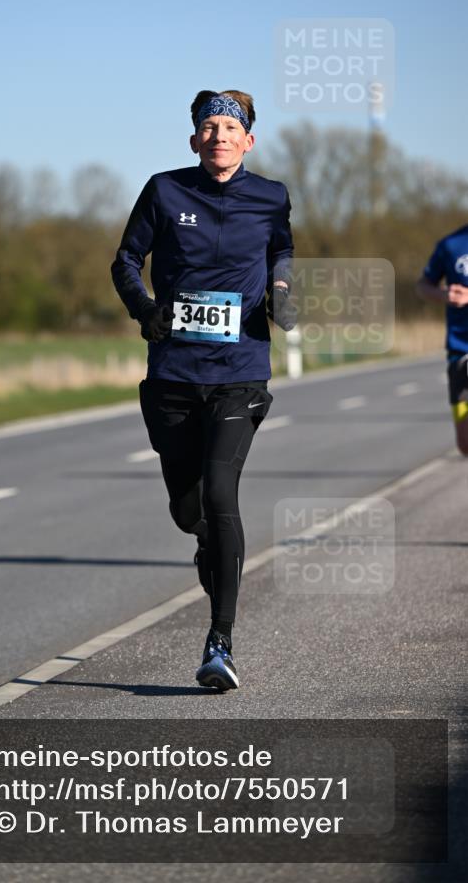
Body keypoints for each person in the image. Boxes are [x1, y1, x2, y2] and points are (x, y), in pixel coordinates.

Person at [111, 89, 296, 691]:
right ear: (194, 140)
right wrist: (145, 310)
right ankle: (207, 550)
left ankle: (220, 641)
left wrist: (284, 291)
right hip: (172, 374)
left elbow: (282, 254)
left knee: (222, 492)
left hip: (239, 371)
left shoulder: (271, 197)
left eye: (230, 127)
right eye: (208, 127)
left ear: (249, 140)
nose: (219, 135)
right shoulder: (165, 190)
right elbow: (125, 260)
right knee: (189, 510)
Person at [416, 225, 468, 456]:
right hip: (460, 349)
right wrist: (444, 295)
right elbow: (423, 286)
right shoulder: (450, 245)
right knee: (465, 444)